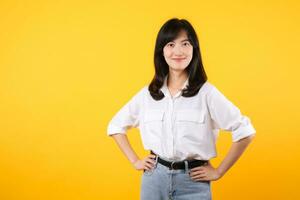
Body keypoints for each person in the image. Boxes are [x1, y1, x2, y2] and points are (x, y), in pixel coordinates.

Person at [107, 18, 256, 200]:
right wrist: (135, 161)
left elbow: (245, 131)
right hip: (154, 180)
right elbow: (115, 126)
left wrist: (218, 172)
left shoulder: (206, 93)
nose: (178, 51)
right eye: (171, 44)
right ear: (162, 51)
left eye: (185, 44)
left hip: (193, 183)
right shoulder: (148, 94)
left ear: (194, 49)